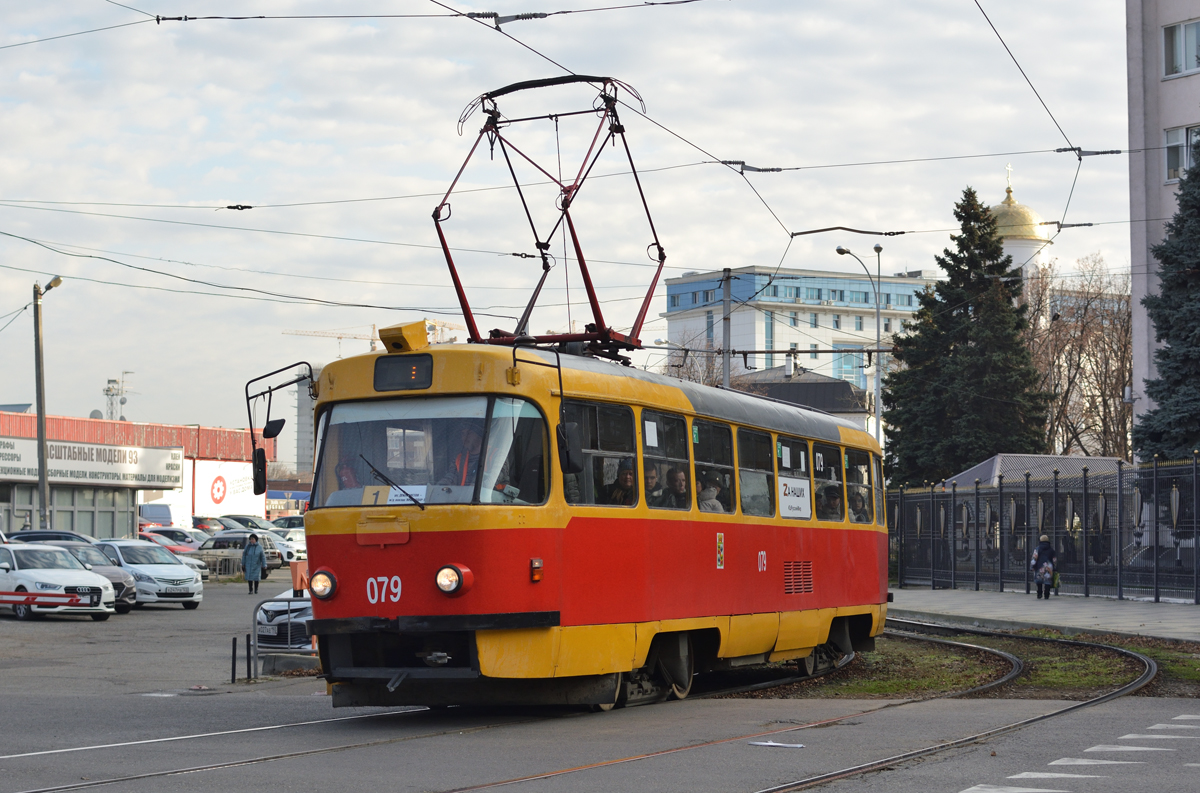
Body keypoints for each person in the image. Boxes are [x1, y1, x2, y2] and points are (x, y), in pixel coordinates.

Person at [1030, 534, 1057, 600]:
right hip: (1048, 568)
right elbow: (1054, 560)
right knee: (1047, 581)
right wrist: (1055, 567)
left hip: (1039, 568)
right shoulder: (1051, 550)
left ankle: (1039, 593)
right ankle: (1047, 594)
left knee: (1039, 581)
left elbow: (1034, 558)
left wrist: (1032, 566)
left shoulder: (1037, 549)